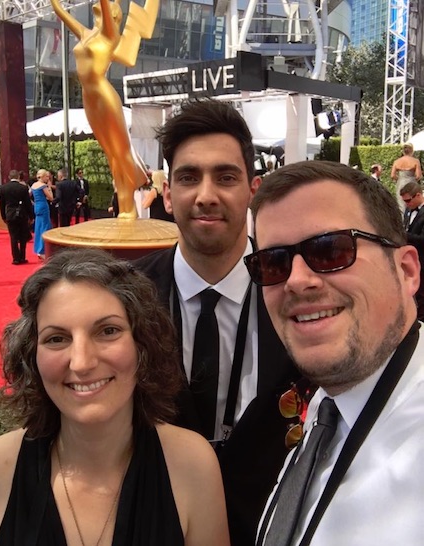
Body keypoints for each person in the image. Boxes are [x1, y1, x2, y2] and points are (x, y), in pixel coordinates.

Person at [0, 248, 230, 546]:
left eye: (107, 331)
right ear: (31, 356)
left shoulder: (193, 467)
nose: (81, 362)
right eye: (57, 338)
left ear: (142, 345)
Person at [134, 99, 298, 546]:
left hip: (272, 527)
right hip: (155, 523)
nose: (206, 194)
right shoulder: (125, 298)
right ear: (168, 195)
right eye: (189, 177)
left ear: (253, 190)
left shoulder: (298, 290)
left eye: (226, 177)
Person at [243, 160, 423, 545]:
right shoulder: (329, 407)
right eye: (273, 262)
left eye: (330, 250)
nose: (297, 281)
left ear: (406, 271)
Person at [50, 0, 154, 218]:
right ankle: (126, 207)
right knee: (110, 154)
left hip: (104, 94)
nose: (97, 9)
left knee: (120, 151)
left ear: (113, 14)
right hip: (88, 97)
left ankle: (129, 206)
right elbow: (60, 11)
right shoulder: (87, 33)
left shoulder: (110, 34)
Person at [0, 169, 33, 265]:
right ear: (18, 177)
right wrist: (31, 216)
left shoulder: (4, 188)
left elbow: (2, 204)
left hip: (10, 214)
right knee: (23, 236)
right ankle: (22, 257)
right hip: (22, 214)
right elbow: (27, 203)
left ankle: (15, 258)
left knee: (13, 237)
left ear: (9, 177)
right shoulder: (23, 188)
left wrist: (3, 216)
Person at [400, 181, 424, 320]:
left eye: (408, 200)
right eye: (404, 201)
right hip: (410, 258)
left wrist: (404, 235)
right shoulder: (409, 210)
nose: (406, 204)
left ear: (418, 195)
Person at [391, 143, 422, 211]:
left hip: (401, 183)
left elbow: (392, 175)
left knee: (401, 203)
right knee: (413, 202)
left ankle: (402, 219)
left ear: (403, 151)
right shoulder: (415, 161)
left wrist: (399, 179)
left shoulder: (397, 161)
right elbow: (418, 176)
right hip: (411, 183)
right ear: (412, 151)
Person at [31, 169, 53, 260]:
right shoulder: (43, 186)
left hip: (37, 206)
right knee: (45, 228)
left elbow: (29, 195)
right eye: (46, 176)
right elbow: (51, 198)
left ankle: (38, 250)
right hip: (43, 207)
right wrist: (49, 187)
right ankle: (42, 250)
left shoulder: (33, 185)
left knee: (38, 227)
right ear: (43, 176)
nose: (48, 178)